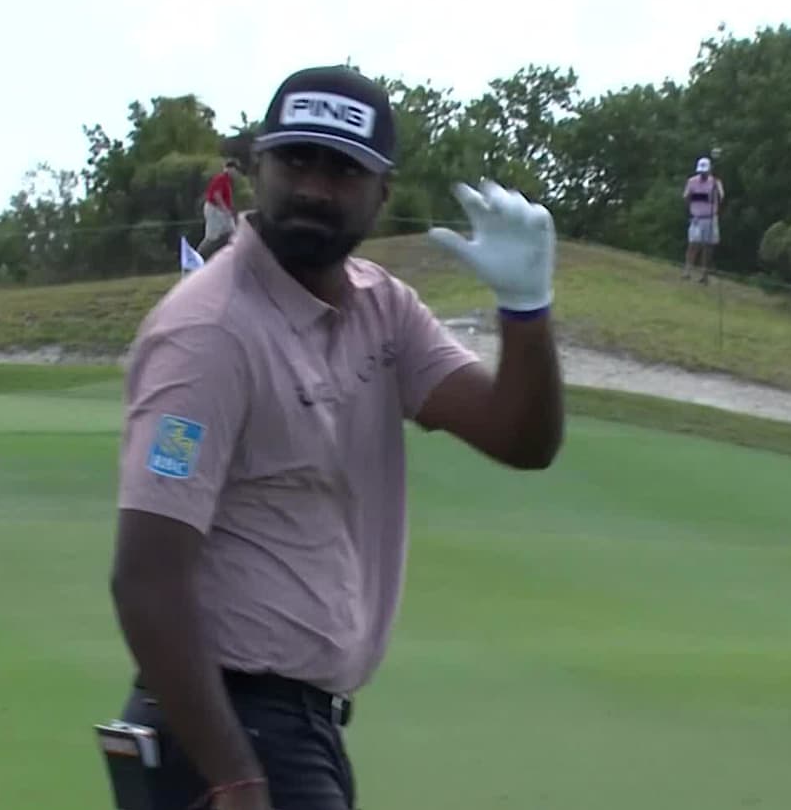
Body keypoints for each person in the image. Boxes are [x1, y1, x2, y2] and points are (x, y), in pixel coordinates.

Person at [107, 64, 565, 810]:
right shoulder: (209, 335)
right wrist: (234, 774)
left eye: (344, 170)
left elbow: (522, 438)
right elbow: (147, 577)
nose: (316, 188)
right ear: (258, 165)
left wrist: (526, 308)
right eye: (297, 162)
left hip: (297, 732)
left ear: (382, 191)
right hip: (224, 729)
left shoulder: (384, 310)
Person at [682, 156, 725, 283]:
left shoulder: (715, 182)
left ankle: (704, 274)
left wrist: (714, 194)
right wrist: (703, 198)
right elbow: (686, 197)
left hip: (710, 218)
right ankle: (687, 271)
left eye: (705, 171)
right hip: (696, 217)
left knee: (708, 247)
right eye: (701, 172)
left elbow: (721, 197)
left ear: (709, 170)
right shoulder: (692, 181)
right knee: (693, 244)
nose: (702, 174)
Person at [199, 159, 240, 259]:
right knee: (212, 236)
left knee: (231, 232)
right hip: (215, 209)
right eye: (235, 170)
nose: (236, 173)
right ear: (230, 169)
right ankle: (199, 256)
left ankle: (232, 257)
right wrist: (225, 210)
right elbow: (217, 195)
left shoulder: (227, 181)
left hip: (221, 210)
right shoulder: (221, 178)